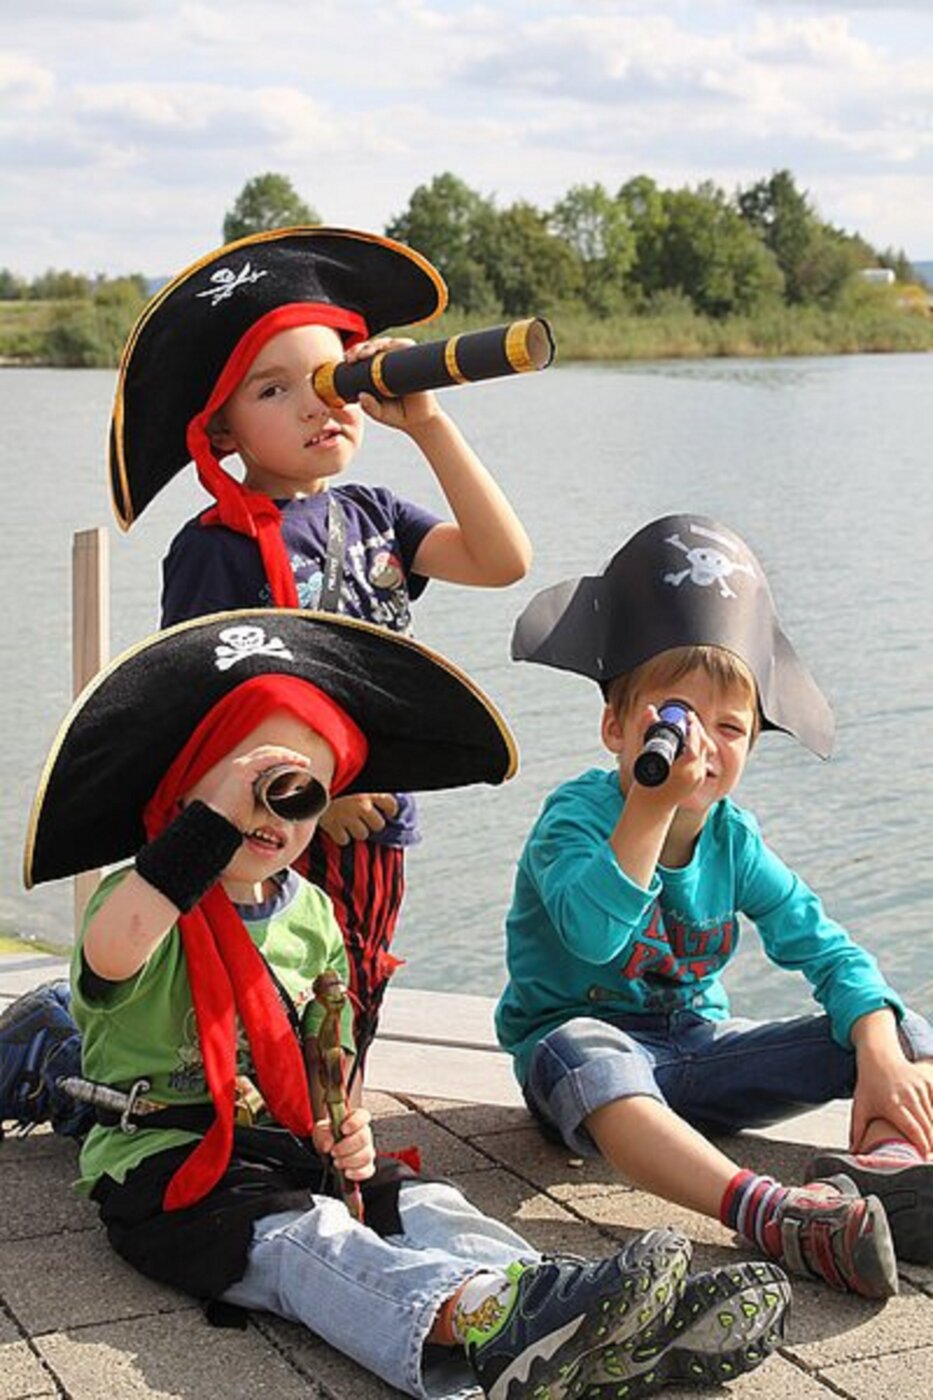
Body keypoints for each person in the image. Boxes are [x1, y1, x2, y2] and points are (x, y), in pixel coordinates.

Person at [19, 609, 789, 1400]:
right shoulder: (143, 901)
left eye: (302, 794)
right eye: (252, 784)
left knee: (425, 1201)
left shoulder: (310, 915)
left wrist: (345, 1120)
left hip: (286, 1144)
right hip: (170, 1169)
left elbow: (329, 1045)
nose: (272, 813)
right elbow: (117, 949)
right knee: (310, 1242)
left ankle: (570, 1310)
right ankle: (484, 1320)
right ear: (190, 786)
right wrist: (213, 815)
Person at [1, 225, 532, 1132]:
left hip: (372, 818)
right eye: (272, 389)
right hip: (263, 822)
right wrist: (314, 796)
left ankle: (327, 1126)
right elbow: (195, 707)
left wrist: (428, 423)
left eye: (328, 381)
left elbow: (500, 558)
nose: (315, 406)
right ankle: (186, 1102)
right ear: (220, 428)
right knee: (245, 985)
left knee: (349, 980)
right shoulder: (211, 547)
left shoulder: (374, 515)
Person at [496, 513, 933, 1300]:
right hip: (587, 1071)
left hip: (697, 1053)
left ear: (750, 749)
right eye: (676, 717)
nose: (701, 743)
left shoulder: (734, 839)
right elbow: (591, 936)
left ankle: (887, 1179)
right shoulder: (574, 820)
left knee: (899, 1030)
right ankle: (769, 1213)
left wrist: (875, 1047)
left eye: (729, 727)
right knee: (583, 1050)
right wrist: (650, 806)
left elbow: (826, 950)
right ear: (616, 726)